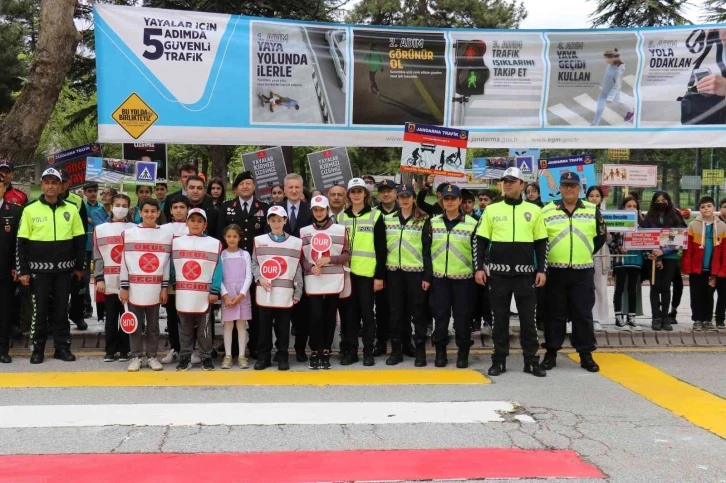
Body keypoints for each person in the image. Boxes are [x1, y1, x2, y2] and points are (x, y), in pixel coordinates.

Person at [476, 167, 547, 378]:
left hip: (526, 276)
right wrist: (479, 268)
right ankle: (498, 360)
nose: (508, 184)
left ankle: (531, 361)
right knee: (499, 320)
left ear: (522, 184)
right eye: (505, 181)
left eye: (513, 181)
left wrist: (542, 270)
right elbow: (480, 241)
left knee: (528, 320)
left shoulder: (534, 210)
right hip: (498, 276)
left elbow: (541, 242)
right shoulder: (492, 209)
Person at [17, 168, 85, 364]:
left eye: (54, 182)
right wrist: (23, 271)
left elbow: (79, 241)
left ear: (60, 185)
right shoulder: (29, 209)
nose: (51, 186)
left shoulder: (71, 209)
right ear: (41, 185)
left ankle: (62, 348)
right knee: (40, 312)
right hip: (38, 272)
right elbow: (20, 243)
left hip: (64, 271)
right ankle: (37, 350)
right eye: (47, 182)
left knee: (61, 310)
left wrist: (79, 267)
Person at [541, 171, 607, 373]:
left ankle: (586, 354)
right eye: (565, 185)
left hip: (582, 271)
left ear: (580, 188)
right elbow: (540, 239)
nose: (569, 188)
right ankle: (551, 352)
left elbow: (600, 238)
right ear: (559, 188)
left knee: (582, 314)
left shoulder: (591, 209)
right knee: (554, 314)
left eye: (573, 185)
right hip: (555, 271)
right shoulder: (547, 210)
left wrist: (583, 252)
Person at [217, 171, 269, 359]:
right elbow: (220, 237)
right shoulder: (226, 207)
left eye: (249, 183)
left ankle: (254, 346)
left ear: (254, 187)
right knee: (231, 309)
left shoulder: (263, 207)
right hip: (231, 265)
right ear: (236, 188)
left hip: (255, 265)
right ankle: (231, 350)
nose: (245, 186)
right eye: (242, 184)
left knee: (255, 308)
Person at [337, 178, 386, 366]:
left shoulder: (376, 215)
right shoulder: (341, 217)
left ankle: (367, 351)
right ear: (348, 195)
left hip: (367, 274)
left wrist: (379, 276)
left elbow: (381, 249)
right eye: (353, 191)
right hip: (347, 274)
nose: (356, 195)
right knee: (349, 315)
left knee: (367, 315)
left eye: (360, 191)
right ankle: (351, 351)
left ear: (366, 194)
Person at [119, 199, 172, 372]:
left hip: (155, 288)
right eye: (146, 211)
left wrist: (164, 287)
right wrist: (124, 286)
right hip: (134, 287)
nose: (149, 214)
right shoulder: (129, 233)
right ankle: (135, 356)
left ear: (158, 213)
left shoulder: (165, 234)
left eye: (153, 211)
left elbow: (165, 263)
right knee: (134, 324)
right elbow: (124, 262)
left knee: (153, 326)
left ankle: (152, 356)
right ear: (140, 213)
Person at [427, 184, 477, 368]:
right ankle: (440, 352)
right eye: (446, 199)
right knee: (440, 318)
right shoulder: (433, 223)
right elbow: (427, 251)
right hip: (440, 279)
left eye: (453, 199)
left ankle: (463, 353)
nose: (449, 202)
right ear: (442, 201)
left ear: (460, 201)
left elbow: (477, 252)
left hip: (464, 280)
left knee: (463, 319)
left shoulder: (472, 224)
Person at [300, 195, 351, 369]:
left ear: (327, 210)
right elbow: (301, 257)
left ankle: (327, 349)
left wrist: (330, 259)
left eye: (322, 209)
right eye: (316, 210)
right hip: (314, 280)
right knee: (315, 316)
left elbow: (346, 255)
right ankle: (315, 350)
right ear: (312, 211)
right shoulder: (304, 231)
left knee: (330, 317)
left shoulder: (339, 229)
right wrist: (309, 268)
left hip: (333, 280)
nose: (319, 213)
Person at [383, 184, 431, 366]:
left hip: (415, 274)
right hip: (394, 273)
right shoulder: (388, 219)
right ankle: (397, 351)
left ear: (413, 197)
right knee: (396, 314)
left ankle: (420, 353)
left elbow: (428, 250)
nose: (404, 199)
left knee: (417, 314)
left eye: (408, 196)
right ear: (397, 197)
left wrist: (427, 276)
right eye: (401, 196)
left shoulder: (423, 219)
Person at [251, 206, 303, 371]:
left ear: (285, 221)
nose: (276, 223)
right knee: (264, 327)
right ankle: (263, 357)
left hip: (285, 293)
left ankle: (283, 356)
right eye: (272, 220)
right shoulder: (259, 241)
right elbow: (254, 263)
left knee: (283, 327)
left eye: (279, 220)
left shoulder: (295, 242)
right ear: (268, 221)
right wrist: (260, 277)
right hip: (265, 291)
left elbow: (297, 269)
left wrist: (298, 291)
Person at [172, 208, 223, 372]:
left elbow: (218, 269)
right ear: (186, 223)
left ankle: (206, 357)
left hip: (204, 295)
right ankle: (185, 356)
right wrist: (173, 282)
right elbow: (172, 266)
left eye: (199, 221)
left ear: (205, 224)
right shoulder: (177, 242)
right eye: (192, 220)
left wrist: (215, 290)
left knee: (205, 329)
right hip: (184, 293)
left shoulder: (214, 244)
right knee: (184, 329)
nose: (195, 223)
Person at [93, 193, 135, 362]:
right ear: (111, 207)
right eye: (117, 205)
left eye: (124, 205)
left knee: (127, 316)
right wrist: (99, 278)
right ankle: (110, 350)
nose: (120, 208)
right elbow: (97, 255)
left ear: (129, 208)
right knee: (111, 318)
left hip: (129, 282)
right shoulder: (100, 229)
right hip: (109, 280)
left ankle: (125, 349)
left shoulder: (135, 228)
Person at [276, 173, 313, 361]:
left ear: (302, 188)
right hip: (281, 268)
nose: (293, 190)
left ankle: (300, 348)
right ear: (284, 189)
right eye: (290, 187)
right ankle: (281, 349)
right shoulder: (276, 210)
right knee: (281, 310)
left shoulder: (311, 210)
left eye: (297, 187)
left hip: (304, 268)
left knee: (302, 312)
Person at [642, 191, 686, 331]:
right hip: (653, 257)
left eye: (664, 200)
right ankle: (656, 317)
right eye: (658, 200)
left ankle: (666, 318)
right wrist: (655, 255)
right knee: (655, 287)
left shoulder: (675, 215)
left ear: (668, 201)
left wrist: (664, 252)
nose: (661, 202)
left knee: (666, 287)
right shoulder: (649, 217)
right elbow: (646, 236)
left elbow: (681, 237)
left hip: (671, 256)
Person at [682, 196, 726, 331]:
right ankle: (697, 319)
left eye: (708, 206)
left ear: (714, 208)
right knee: (696, 294)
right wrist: (686, 266)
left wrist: (722, 268)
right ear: (699, 210)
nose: (706, 209)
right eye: (702, 207)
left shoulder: (722, 226)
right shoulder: (693, 225)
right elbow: (688, 248)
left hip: (713, 269)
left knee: (709, 294)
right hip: (696, 268)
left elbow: (724, 250)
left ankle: (707, 319)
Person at [159, 196, 190, 365]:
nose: (178, 210)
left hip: (188, 280)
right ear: (170, 210)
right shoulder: (163, 229)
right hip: (169, 279)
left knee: (187, 316)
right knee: (172, 316)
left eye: (182, 207)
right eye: (175, 207)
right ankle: (175, 348)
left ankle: (189, 349)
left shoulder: (192, 227)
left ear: (187, 209)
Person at [59, 170, 90, 331]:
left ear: (68, 183)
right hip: (57, 252)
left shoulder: (77, 201)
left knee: (80, 285)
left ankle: (77, 315)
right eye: (58, 182)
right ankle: (57, 318)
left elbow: (83, 229)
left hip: (75, 249)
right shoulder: (46, 201)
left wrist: (80, 253)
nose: (61, 185)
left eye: (64, 182)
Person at [372, 179, 399, 357]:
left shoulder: (405, 211)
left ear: (395, 193)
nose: (386, 194)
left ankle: (403, 343)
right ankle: (381, 342)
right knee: (381, 308)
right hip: (380, 269)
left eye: (389, 190)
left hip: (401, 268)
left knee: (401, 308)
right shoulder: (374, 214)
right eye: (382, 191)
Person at [220, 224, 253, 369]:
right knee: (228, 325)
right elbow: (219, 277)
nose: (232, 239)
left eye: (235, 236)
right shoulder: (222, 255)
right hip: (227, 293)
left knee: (241, 325)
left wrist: (241, 294)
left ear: (240, 238)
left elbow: (248, 276)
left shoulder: (244, 254)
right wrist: (225, 295)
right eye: (229, 236)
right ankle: (228, 355)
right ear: (224, 238)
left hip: (242, 295)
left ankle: (241, 355)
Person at [609, 196, 644, 331]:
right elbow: (610, 239)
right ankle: (618, 317)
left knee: (632, 289)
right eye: (629, 206)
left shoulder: (641, 223)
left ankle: (632, 317)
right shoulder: (617, 221)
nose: (632, 209)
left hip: (635, 259)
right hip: (621, 260)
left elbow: (647, 240)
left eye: (634, 206)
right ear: (623, 207)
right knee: (619, 288)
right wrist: (618, 247)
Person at [0, 175, 22, 363]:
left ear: (4, 187)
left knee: (4, 311)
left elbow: (19, 242)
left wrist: (16, 266)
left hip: (5, 270)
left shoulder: (14, 211)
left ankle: (2, 349)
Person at [586, 186, 610, 330]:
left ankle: (598, 318)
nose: (594, 198)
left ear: (601, 198)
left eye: (597, 196)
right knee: (585, 287)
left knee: (600, 286)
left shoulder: (607, 214)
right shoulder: (582, 213)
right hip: (586, 252)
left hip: (602, 253)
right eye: (591, 195)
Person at [591, 48, 634, 126]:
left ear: (611, 59)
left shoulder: (617, 71)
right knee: (600, 107)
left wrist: (610, 97)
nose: (605, 60)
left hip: (613, 91)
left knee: (619, 103)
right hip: (604, 90)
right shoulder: (610, 64)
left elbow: (616, 85)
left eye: (606, 58)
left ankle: (631, 111)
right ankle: (595, 123)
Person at [83, 183, 105, 323]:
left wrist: (91, 220)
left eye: (94, 191)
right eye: (89, 191)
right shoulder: (81, 207)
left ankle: (103, 308)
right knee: (84, 279)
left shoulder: (102, 208)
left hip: (99, 247)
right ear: (84, 193)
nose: (92, 193)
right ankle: (87, 307)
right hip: (85, 246)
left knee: (101, 277)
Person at [715, 198, 726, 328]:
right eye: (724, 206)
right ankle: (719, 318)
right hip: (717, 264)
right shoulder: (715, 224)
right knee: (720, 293)